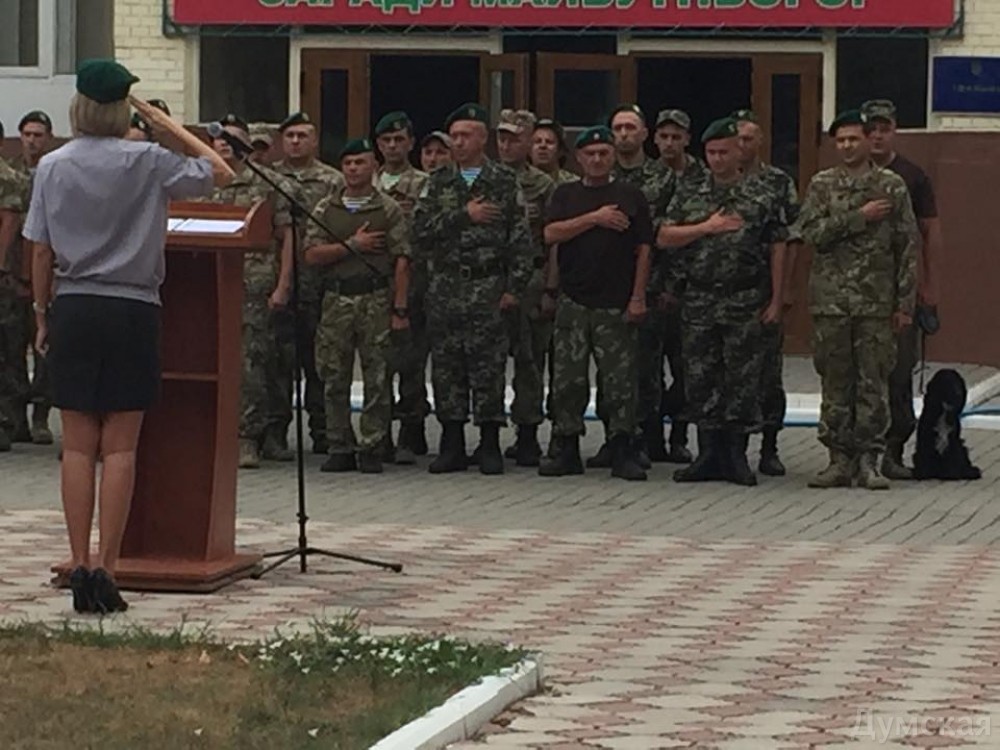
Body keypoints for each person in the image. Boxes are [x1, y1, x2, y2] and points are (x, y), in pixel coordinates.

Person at [21, 59, 233, 613]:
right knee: (120, 447)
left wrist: (42, 314)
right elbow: (220, 172)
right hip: (133, 306)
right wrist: (167, 126)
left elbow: (40, 249)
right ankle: (107, 568)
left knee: (76, 445)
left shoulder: (52, 165)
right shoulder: (148, 160)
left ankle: (77, 560)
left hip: (74, 305)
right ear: (123, 109)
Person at [659, 117, 786, 487]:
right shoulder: (691, 190)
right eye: (711, 153)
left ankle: (736, 455)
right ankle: (707, 453)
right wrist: (706, 227)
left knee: (742, 378)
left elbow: (779, 245)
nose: (717, 159)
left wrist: (778, 299)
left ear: (738, 151)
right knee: (700, 376)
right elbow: (664, 236)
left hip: (745, 297)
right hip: (699, 298)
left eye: (724, 152)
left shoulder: (761, 193)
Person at [797, 110, 918, 490]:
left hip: (876, 303)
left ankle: (869, 460)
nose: (847, 146)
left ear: (869, 140)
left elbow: (907, 246)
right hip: (831, 302)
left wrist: (905, 304)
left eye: (853, 139)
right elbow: (810, 232)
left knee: (873, 382)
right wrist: (858, 217)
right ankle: (838, 459)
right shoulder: (822, 184)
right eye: (841, 140)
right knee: (835, 381)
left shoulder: (891, 186)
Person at [412, 103, 533, 475]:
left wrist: (514, 288)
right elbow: (420, 231)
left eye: (466, 136)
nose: (458, 143)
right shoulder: (438, 181)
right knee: (446, 366)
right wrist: (463, 215)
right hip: (446, 286)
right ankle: (451, 444)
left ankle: (490, 442)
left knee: (488, 366)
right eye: (455, 136)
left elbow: (520, 240)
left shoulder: (504, 181)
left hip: (488, 285)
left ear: (483, 138)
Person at [538, 125, 651, 481]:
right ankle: (566, 446)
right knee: (568, 380)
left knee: (619, 381)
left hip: (616, 302)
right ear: (578, 158)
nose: (597, 159)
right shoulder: (565, 194)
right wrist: (594, 218)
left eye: (604, 153)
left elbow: (645, 248)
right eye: (591, 154)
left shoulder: (630, 195)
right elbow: (551, 234)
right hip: (574, 300)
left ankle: (622, 447)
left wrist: (638, 296)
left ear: (613, 156)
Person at [305, 138, 410, 473]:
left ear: (374, 166)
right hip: (336, 300)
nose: (353, 169)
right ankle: (339, 444)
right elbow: (312, 254)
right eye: (348, 163)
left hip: (375, 298)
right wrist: (352, 245)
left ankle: (372, 445)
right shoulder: (326, 208)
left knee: (377, 375)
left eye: (360, 162)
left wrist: (400, 308)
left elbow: (402, 259)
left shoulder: (388, 209)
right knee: (333, 375)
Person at [203, 113, 295, 469]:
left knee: (252, 363)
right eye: (219, 138)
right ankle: (210, 432)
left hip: (254, 285)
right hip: (206, 284)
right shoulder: (198, 181)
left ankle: (247, 436)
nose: (224, 143)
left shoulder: (269, 184)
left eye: (233, 138)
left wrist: (283, 285)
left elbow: (287, 237)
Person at [862, 99, 943, 481]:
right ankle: (855, 453)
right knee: (858, 374)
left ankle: (893, 451)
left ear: (894, 130)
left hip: (900, 292)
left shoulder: (912, 176)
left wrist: (929, 285)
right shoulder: (846, 175)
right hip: (855, 293)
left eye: (884, 129)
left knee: (898, 373)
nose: (877, 136)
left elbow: (930, 231)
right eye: (871, 130)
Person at [605, 104, 676, 471]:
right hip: (605, 283)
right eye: (618, 128)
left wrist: (667, 286)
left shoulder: (663, 177)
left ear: (644, 134)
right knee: (609, 367)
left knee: (646, 367)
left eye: (630, 128)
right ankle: (614, 438)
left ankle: (648, 438)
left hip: (650, 282)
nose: (624, 134)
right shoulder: (601, 174)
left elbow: (667, 232)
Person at [271, 111, 345, 459]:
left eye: (302, 135)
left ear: (315, 141)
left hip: (320, 283)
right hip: (278, 279)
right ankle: (275, 432)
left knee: (320, 361)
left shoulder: (332, 180)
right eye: (290, 136)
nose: (296, 141)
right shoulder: (269, 177)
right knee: (279, 362)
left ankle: (323, 431)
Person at [733, 108, 801, 477]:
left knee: (768, 374)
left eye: (748, 138)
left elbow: (791, 239)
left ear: (760, 141)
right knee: (730, 375)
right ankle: (731, 448)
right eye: (737, 139)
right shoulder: (715, 180)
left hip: (763, 291)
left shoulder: (778, 182)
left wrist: (783, 289)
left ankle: (770, 447)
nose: (742, 145)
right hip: (726, 294)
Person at [495, 109, 555, 467]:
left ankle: (528, 432)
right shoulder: (484, 178)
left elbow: (553, 239)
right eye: (502, 138)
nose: (506, 145)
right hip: (491, 278)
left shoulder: (543, 185)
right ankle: (487, 431)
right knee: (489, 357)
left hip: (531, 278)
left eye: (515, 139)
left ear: (530, 142)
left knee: (530, 359)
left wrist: (550, 286)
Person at [652, 108, 709, 465]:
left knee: (688, 368)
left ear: (688, 138)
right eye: (664, 136)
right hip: (653, 286)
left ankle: (679, 436)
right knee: (650, 368)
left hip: (695, 288)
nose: (670, 143)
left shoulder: (705, 178)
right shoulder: (646, 177)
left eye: (677, 136)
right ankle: (652, 438)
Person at [373, 111, 431, 464]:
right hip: (372, 282)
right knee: (378, 363)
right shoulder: (365, 181)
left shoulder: (425, 184)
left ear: (411, 143)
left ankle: (412, 430)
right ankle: (379, 434)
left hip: (413, 283)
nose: (393, 146)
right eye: (386, 140)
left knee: (411, 361)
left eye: (399, 140)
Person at [11, 110, 55, 444]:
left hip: (45, 272)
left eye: (38, 135)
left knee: (44, 351)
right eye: (27, 134)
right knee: (13, 349)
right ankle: (15, 419)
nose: (32, 141)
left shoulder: (56, 172)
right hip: (13, 272)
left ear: (49, 138)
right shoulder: (10, 173)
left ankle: (40, 416)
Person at [0, 159, 29, 451]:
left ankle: (7, 422)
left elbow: (8, 225)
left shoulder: (7, 178)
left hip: (4, 280)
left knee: (7, 350)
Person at [531, 118, 579, 186]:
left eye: (549, 142)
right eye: (537, 141)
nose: (543, 146)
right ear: (529, 150)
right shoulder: (519, 182)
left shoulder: (572, 184)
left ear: (560, 150)